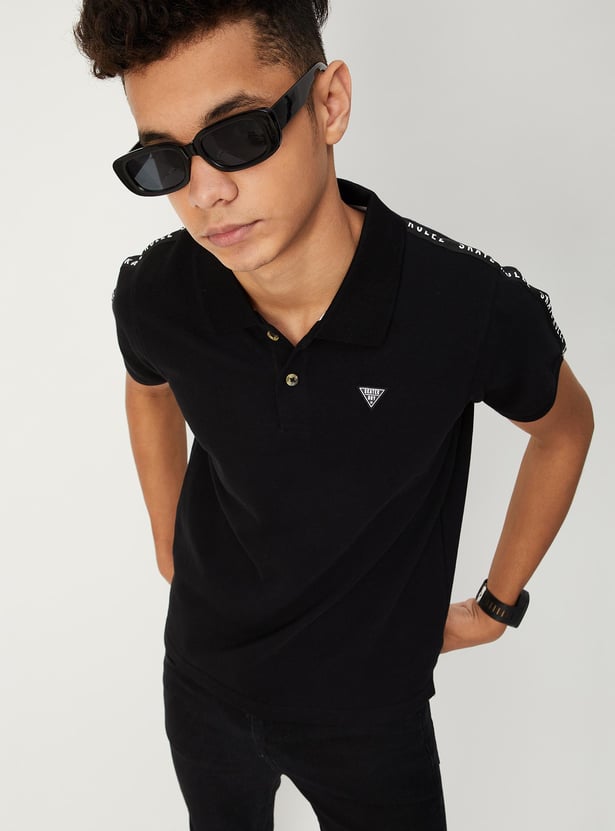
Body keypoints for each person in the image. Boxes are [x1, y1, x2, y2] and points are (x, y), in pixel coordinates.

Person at [74, 2, 594, 829]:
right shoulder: (156, 292)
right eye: (163, 161)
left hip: (369, 714)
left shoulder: (467, 308)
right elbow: (148, 386)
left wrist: (496, 604)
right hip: (202, 683)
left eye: (238, 134)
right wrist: (170, 546)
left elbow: (563, 429)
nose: (205, 192)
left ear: (329, 104)